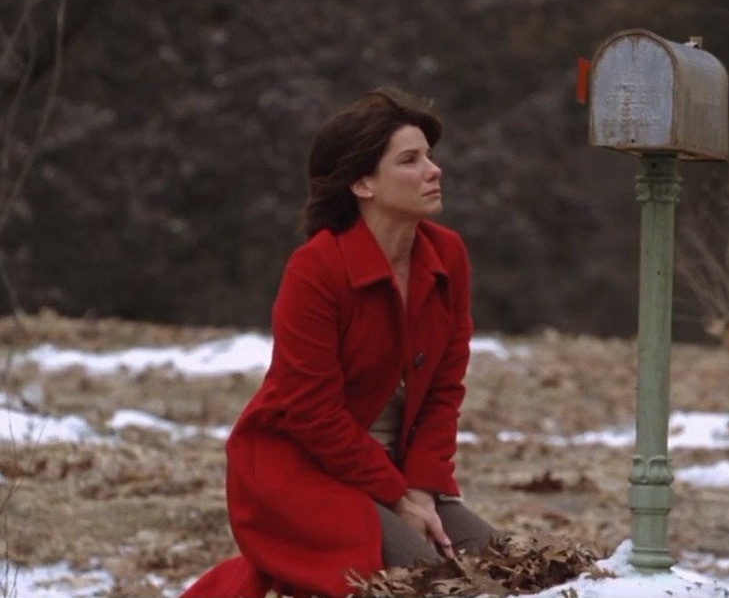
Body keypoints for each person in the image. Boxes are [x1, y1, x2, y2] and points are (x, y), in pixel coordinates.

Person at [182, 87, 497, 598]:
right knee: (422, 579)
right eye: (410, 160)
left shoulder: (448, 255)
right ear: (362, 183)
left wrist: (421, 488)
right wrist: (398, 498)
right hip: (299, 472)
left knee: (499, 567)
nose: (433, 170)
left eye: (430, 157)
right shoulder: (316, 268)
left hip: (397, 478)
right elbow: (310, 412)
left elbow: (445, 389)